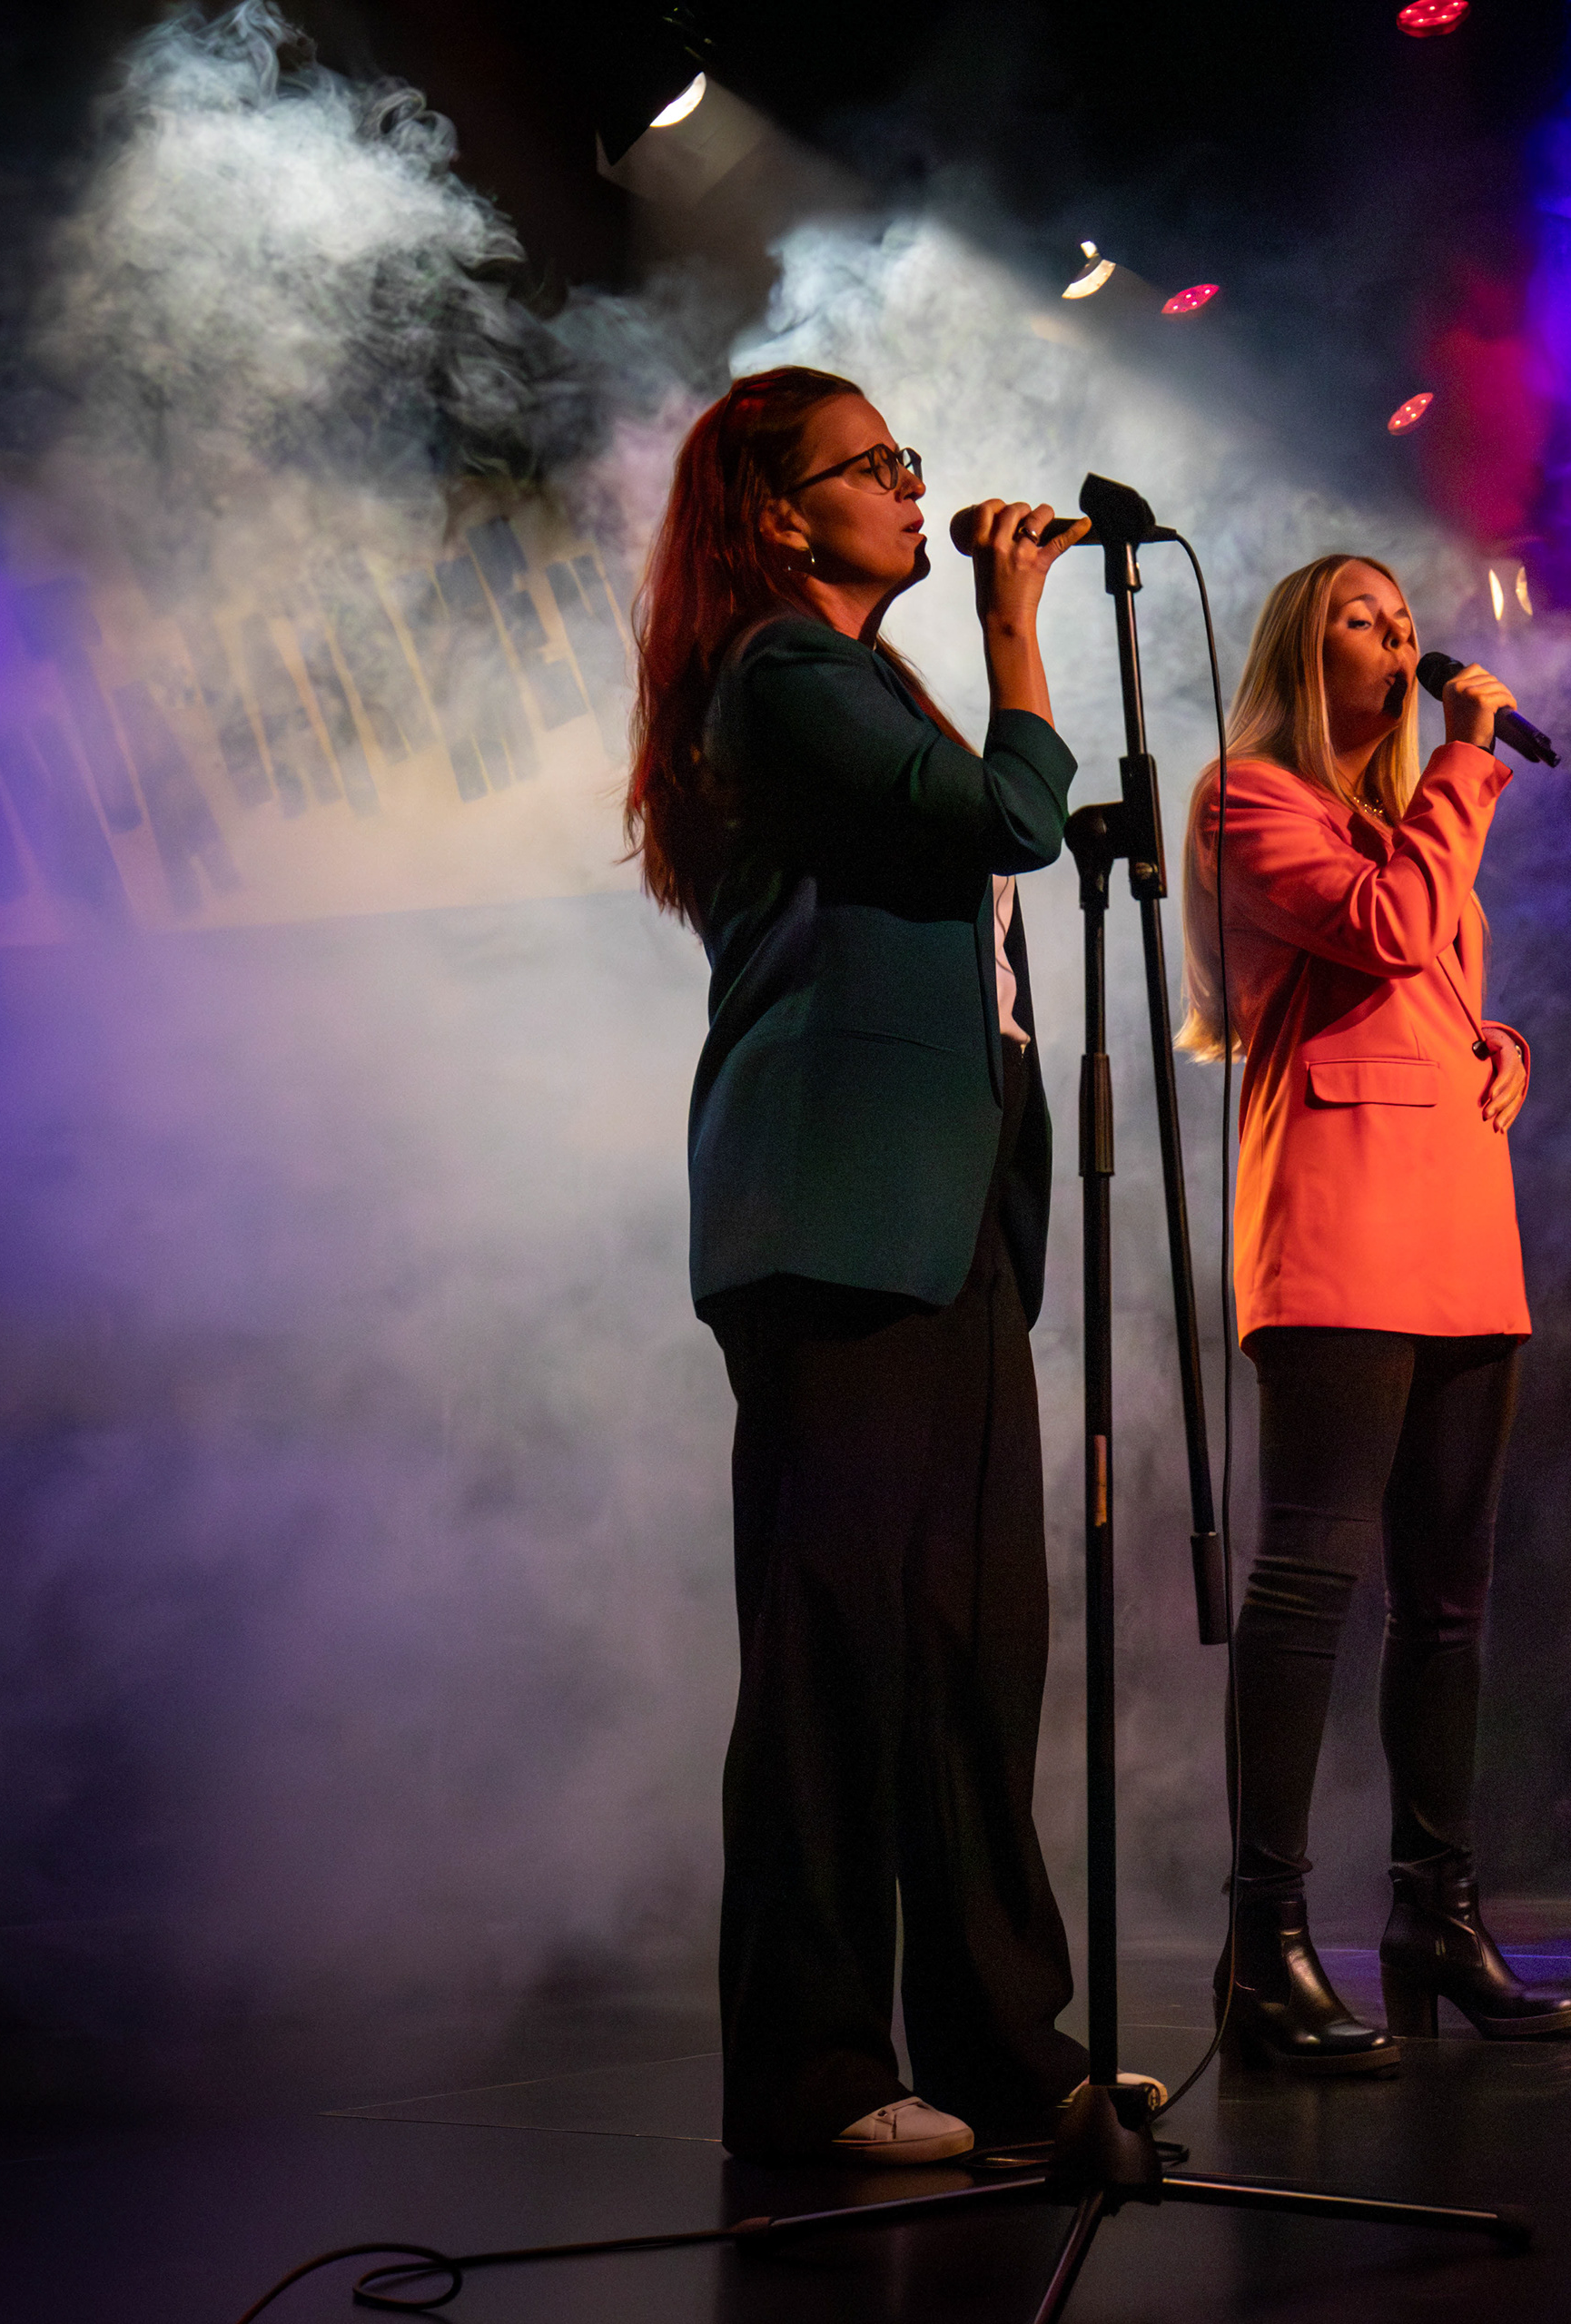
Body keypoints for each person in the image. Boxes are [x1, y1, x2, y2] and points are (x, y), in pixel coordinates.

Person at [626, 366, 1091, 2166]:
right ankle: (811, 2068)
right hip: (834, 1205)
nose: (913, 484)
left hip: (946, 1210)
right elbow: (1014, 819)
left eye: (910, 456)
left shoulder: (865, 679)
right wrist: (1015, 628)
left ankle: (1001, 2044)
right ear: (777, 512)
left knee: (973, 1644)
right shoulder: (778, 671)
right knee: (835, 1651)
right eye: (873, 464)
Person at [1177, 554, 1571, 2071]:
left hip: (1461, 1219)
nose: (1404, 635)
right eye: (1365, 616)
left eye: (1407, 618)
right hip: (1340, 1220)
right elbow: (1385, 926)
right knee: (1309, 1583)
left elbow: (1425, 977)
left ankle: (1436, 1910)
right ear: (1304, 647)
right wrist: (1470, 757)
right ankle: (1264, 1942)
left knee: (1449, 1599)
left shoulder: (1408, 818)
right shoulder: (1248, 798)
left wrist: (1497, 1040)